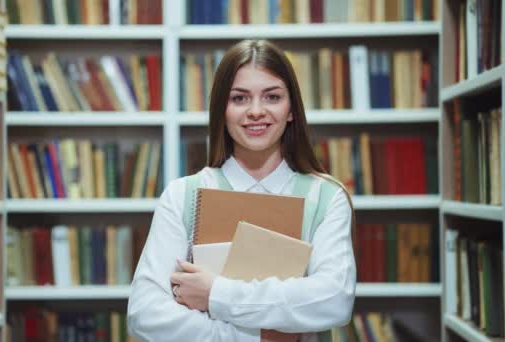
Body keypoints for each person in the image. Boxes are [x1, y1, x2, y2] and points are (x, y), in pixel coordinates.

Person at [127, 39, 356, 341]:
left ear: (291, 110)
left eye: (272, 97)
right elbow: (146, 313)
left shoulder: (326, 198)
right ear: (222, 110)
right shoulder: (183, 195)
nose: (256, 111)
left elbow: (334, 299)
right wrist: (251, 337)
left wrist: (215, 294)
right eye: (239, 99)